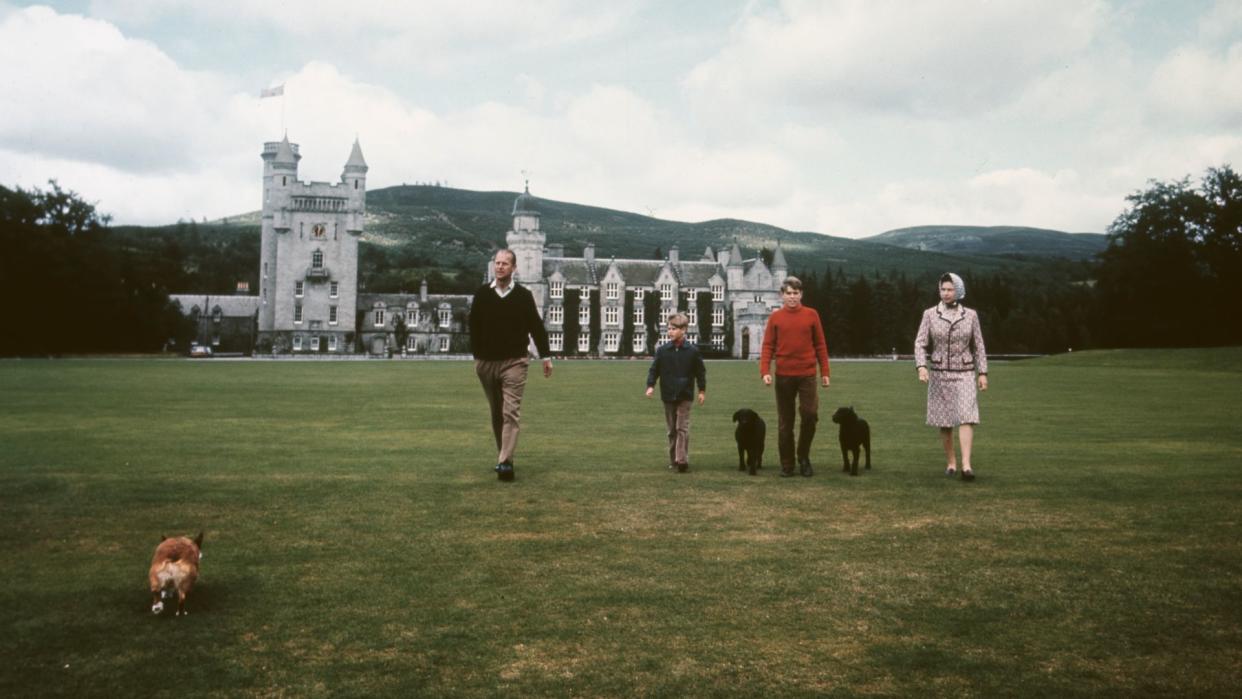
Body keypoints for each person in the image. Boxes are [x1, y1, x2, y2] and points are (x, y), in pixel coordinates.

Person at [469, 249, 553, 481]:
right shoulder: (482, 295)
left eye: (505, 263)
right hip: (486, 362)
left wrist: (545, 356)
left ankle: (505, 463)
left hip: (515, 361)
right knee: (497, 412)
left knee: (510, 412)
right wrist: (477, 357)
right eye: (497, 263)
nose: (500, 267)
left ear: (514, 268)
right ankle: (504, 454)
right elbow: (473, 326)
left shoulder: (524, 296)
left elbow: (536, 327)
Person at [914, 272, 989, 482]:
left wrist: (982, 373)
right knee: (945, 421)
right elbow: (920, 343)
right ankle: (951, 462)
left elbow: (979, 346)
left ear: (959, 290)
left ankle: (966, 465)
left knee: (966, 416)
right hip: (939, 374)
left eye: (950, 289)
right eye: (943, 289)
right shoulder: (929, 314)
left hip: (965, 373)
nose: (945, 293)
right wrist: (921, 366)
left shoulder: (971, 316)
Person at [760, 276, 831, 477]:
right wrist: (765, 371)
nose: (792, 297)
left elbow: (820, 345)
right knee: (785, 422)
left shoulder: (812, 315)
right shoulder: (775, 317)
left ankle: (803, 456)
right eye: (788, 293)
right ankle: (787, 463)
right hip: (783, 376)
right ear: (781, 295)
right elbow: (767, 346)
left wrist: (825, 372)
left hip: (807, 375)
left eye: (796, 293)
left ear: (801, 294)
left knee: (810, 415)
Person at [645, 312, 707, 473]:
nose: (669, 332)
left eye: (673, 329)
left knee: (682, 427)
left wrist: (701, 390)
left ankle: (682, 460)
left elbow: (700, 372)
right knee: (672, 429)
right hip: (668, 394)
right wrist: (650, 385)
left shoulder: (692, 351)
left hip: (685, 394)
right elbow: (654, 369)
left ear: (684, 330)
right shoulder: (663, 350)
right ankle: (673, 459)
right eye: (668, 329)